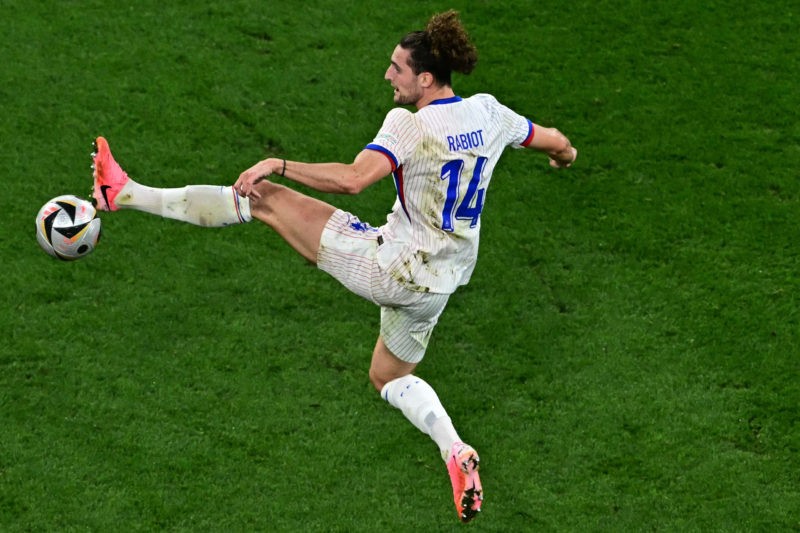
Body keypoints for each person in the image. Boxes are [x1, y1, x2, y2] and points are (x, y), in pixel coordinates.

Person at [90, 9, 576, 523]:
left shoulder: (410, 125)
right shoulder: (489, 113)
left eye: (397, 68)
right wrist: (564, 157)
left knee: (266, 198)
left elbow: (352, 179)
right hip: (440, 285)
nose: (388, 75)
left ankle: (122, 193)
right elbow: (554, 140)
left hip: (392, 267)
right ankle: (454, 449)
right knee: (388, 375)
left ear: (425, 78)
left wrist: (276, 162)